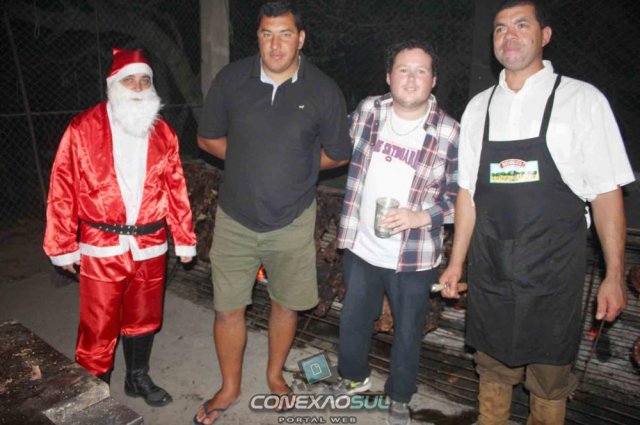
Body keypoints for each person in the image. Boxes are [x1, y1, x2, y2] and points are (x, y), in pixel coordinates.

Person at [439, 1, 633, 423]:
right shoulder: (479, 107)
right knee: (492, 369)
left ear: (544, 35)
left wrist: (614, 275)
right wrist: (456, 262)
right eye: (499, 28)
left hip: (553, 273)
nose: (509, 35)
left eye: (521, 25)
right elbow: (467, 193)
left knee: (549, 378)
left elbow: (606, 194)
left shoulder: (581, 100)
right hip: (491, 269)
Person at [195, 1, 351, 423]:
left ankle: (275, 375)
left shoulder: (323, 90)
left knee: (285, 304)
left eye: (285, 34)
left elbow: (339, 153)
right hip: (235, 217)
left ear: (300, 39)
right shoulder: (232, 80)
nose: (276, 44)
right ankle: (229, 387)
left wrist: (299, 166)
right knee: (228, 308)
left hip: (293, 219)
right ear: (258, 38)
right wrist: (247, 159)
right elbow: (208, 138)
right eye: (267, 34)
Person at [43, 48, 196, 407]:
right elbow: (63, 185)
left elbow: (175, 188)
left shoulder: (163, 133)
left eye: (145, 80)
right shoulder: (83, 128)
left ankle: (137, 377)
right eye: (130, 80)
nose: (139, 87)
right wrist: (62, 244)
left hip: (150, 244)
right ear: (113, 85)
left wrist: (184, 238)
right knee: (98, 325)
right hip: (101, 245)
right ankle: (93, 393)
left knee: (145, 317)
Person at [333, 39, 459, 425]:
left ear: (433, 80)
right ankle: (353, 378)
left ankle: (400, 396)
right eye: (403, 69)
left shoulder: (450, 132)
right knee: (353, 319)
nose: (411, 78)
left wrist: (421, 217)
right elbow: (334, 144)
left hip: (414, 254)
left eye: (421, 71)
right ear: (389, 76)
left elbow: (461, 197)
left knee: (408, 331)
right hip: (362, 244)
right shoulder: (369, 110)